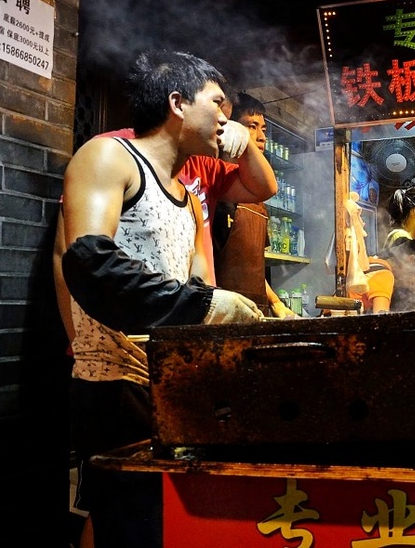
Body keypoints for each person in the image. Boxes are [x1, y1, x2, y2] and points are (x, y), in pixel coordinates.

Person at [61, 50, 264, 548]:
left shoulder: (190, 196)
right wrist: (206, 306)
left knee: (165, 523)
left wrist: (220, 314)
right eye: (217, 103)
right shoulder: (108, 157)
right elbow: (89, 263)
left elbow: (193, 287)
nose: (226, 117)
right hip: (113, 383)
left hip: (165, 382)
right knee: (125, 524)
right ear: (177, 102)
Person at [212, 92, 295, 317]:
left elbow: (255, 269)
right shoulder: (214, 189)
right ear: (229, 127)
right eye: (251, 126)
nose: (261, 137)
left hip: (257, 311)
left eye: (264, 129)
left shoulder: (257, 196)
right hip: (225, 311)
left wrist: (277, 303)